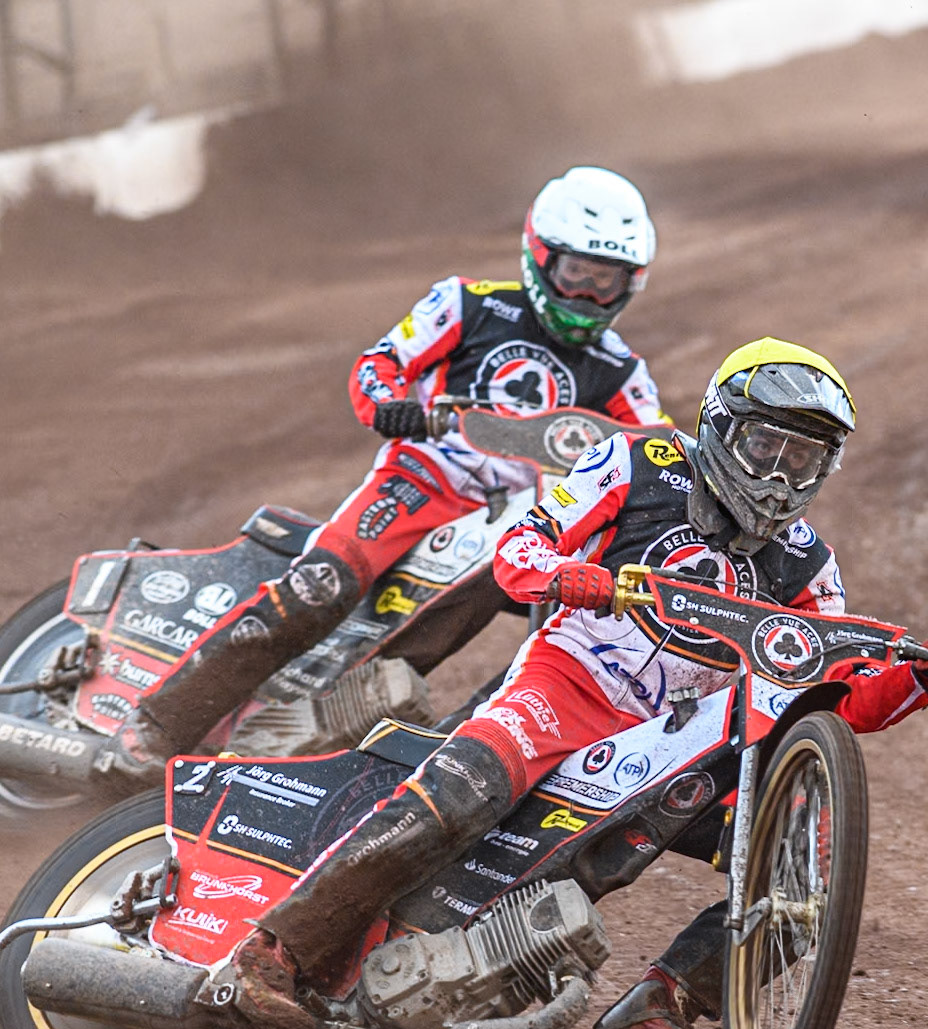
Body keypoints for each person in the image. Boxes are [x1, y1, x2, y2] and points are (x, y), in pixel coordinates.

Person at [225, 338, 928, 1029]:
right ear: (721, 425)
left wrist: (918, 677)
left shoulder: (809, 565)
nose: (782, 476)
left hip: (667, 742)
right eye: (767, 446)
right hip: (563, 685)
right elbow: (520, 547)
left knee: (805, 872)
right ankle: (274, 950)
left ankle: (663, 1003)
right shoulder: (636, 461)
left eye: (805, 459)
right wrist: (568, 576)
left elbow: (827, 692)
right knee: (461, 790)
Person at [100, 166, 668, 787]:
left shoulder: (621, 372)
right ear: (540, 257)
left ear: (629, 283)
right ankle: (155, 726)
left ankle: (441, 765)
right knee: (320, 585)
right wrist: (393, 404)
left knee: (579, 627)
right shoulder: (469, 304)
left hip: (524, 521)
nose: (586, 295)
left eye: (603, 281)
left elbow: (660, 456)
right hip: (422, 481)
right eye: (575, 275)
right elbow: (381, 362)